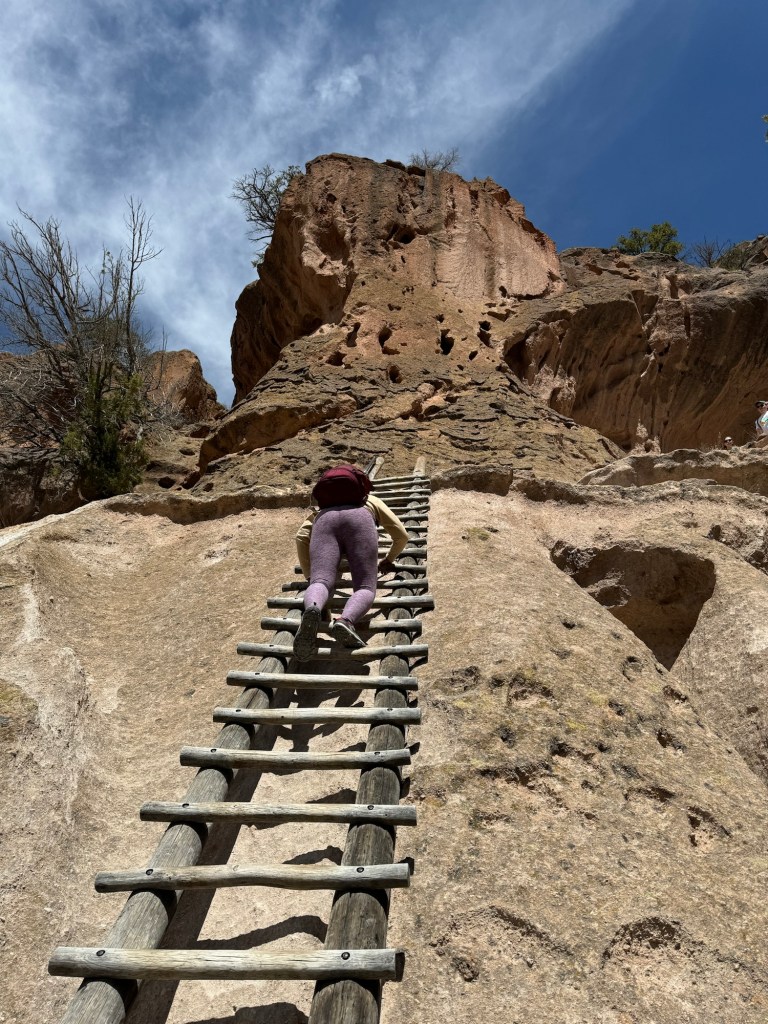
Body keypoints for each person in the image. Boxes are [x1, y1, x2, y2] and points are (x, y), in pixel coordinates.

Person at [293, 465, 410, 661]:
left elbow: (301, 536)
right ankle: (345, 621)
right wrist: (388, 559)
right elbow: (401, 536)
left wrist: (310, 576)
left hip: (325, 523)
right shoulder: (370, 500)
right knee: (365, 587)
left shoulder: (323, 507)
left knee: (320, 582)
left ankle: (313, 607)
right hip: (359, 521)